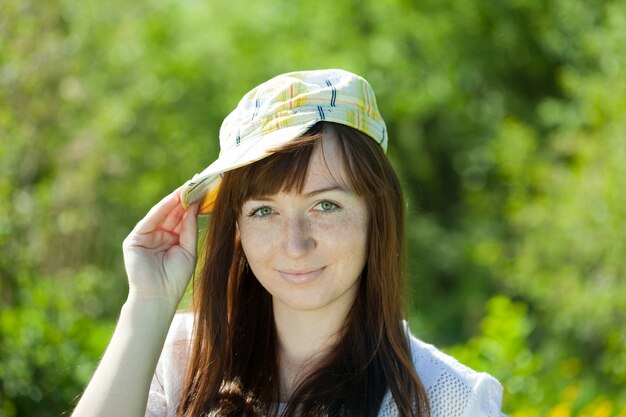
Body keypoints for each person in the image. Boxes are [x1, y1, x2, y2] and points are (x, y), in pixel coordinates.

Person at [72, 69, 505, 417]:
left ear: (378, 215)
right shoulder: (177, 361)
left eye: (326, 206)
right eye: (264, 211)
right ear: (235, 229)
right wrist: (147, 303)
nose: (295, 245)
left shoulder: (449, 400)